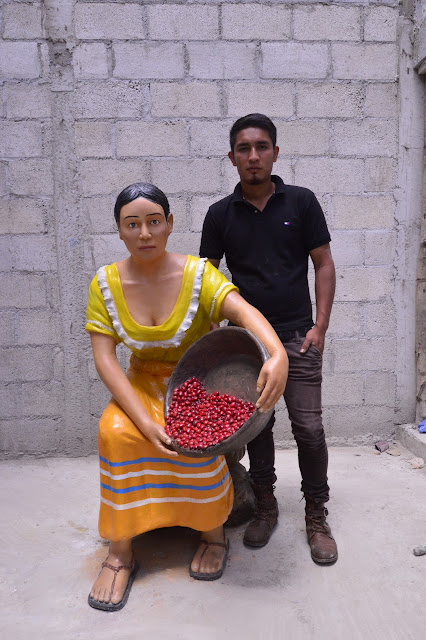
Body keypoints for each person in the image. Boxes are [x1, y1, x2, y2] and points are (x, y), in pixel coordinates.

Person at [85, 182, 288, 611]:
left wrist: (277, 352)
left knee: (198, 442)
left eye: (154, 222)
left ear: (170, 224)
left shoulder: (197, 274)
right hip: (140, 384)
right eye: (132, 224)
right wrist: (142, 419)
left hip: (197, 385)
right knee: (115, 433)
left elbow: (242, 310)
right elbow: (105, 359)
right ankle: (121, 552)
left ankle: (211, 533)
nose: (144, 233)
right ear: (119, 231)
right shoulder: (105, 283)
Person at [199, 114, 338, 565]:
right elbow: (206, 277)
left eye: (261, 147)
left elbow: (323, 263)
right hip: (248, 345)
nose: (253, 156)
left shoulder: (301, 203)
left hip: (297, 337)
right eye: (244, 149)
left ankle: (317, 515)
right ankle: (265, 505)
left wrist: (320, 327)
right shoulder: (220, 214)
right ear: (232, 157)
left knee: (309, 429)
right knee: (257, 428)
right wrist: (214, 334)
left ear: (275, 153)